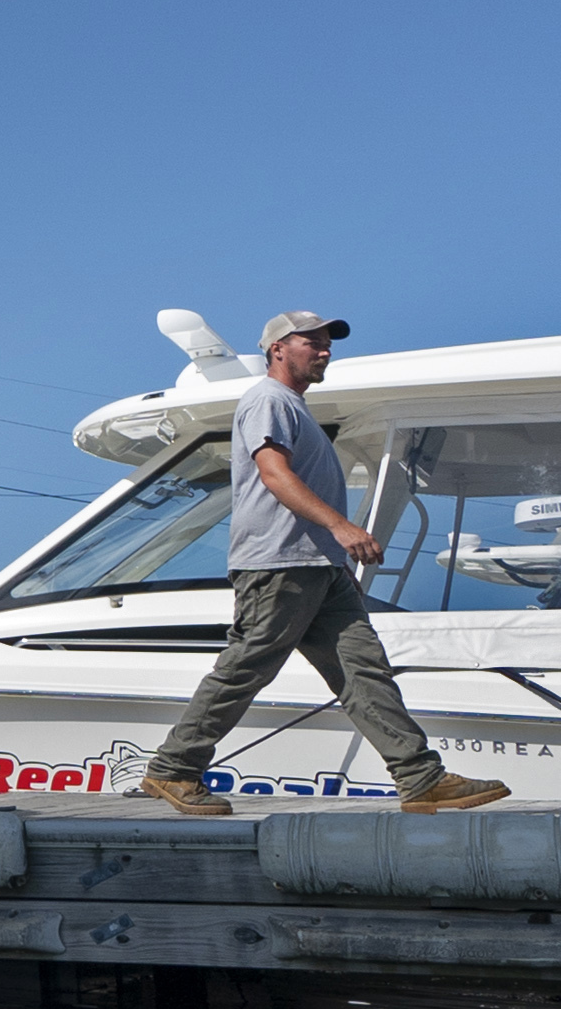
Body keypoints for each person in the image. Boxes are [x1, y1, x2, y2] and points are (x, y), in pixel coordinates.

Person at [138, 311, 508, 816]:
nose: (324, 350)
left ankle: (421, 778)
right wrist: (342, 526)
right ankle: (174, 768)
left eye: (327, 343)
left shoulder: (292, 406)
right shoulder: (267, 400)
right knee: (247, 666)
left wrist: (333, 543)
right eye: (310, 342)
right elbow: (273, 473)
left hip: (319, 567)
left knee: (364, 672)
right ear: (276, 350)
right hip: (280, 563)